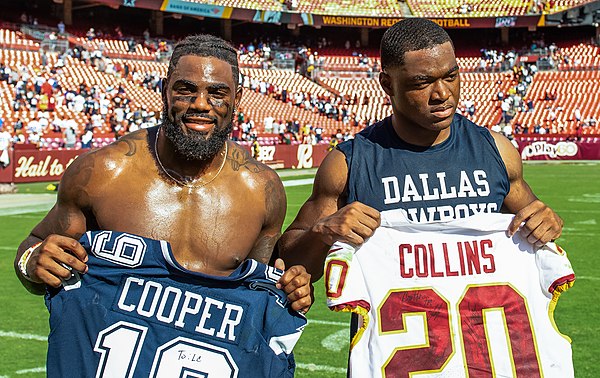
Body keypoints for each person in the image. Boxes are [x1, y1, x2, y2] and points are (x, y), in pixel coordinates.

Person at [14, 34, 312, 314]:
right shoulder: (102, 172)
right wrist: (33, 262)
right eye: (186, 90)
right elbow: (35, 246)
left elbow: (260, 287)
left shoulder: (261, 189)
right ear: (164, 90)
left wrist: (292, 287)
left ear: (237, 98)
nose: (201, 104)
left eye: (217, 93)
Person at [277, 18, 563, 282]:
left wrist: (546, 222)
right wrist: (323, 231)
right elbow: (289, 260)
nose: (442, 94)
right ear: (387, 84)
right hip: (394, 336)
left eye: (451, 76)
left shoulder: (497, 150)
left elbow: (538, 228)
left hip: (483, 334)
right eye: (422, 82)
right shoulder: (349, 163)